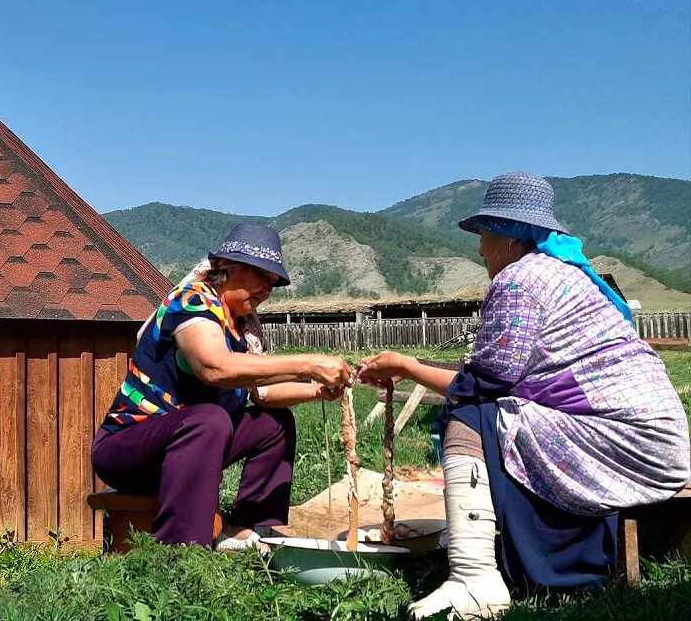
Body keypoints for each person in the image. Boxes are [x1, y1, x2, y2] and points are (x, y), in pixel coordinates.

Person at [357, 172, 689, 619]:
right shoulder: (564, 276)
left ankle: (474, 579)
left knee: (471, 416)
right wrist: (411, 368)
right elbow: (499, 375)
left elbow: (483, 385)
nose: (480, 249)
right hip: (656, 443)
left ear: (511, 239)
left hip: (621, 440)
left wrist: (410, 367)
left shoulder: (519, 281)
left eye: (486, 236)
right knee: (487, 409)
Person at [92, 222, 353, 551]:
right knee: (209, 419)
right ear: (227, 269)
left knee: (274, 424)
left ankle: (243, 527)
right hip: (129, 450)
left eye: (272, 283)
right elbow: (214, 367)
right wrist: (308, 364)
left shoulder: (244, 328)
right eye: (261, 277)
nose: (266, 290)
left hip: (194, 443)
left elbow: (264, 394)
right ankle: (182, 550)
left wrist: (318, 389)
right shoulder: (192, 303)